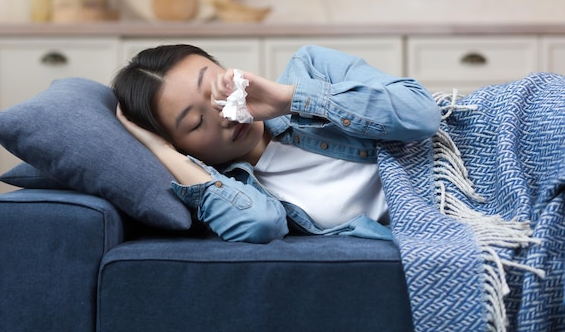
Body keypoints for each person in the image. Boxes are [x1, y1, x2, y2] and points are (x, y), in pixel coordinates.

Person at [113, 44, 441, 243]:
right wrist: (160, 150)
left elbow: (422, 115)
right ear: (183, 147)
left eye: (214, 85)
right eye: (196, 123)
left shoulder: (311, 67)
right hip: (451, 219)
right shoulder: (243, 192)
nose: (223, 114)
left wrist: (290, 99)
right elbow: (259, 225)